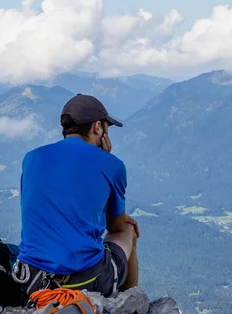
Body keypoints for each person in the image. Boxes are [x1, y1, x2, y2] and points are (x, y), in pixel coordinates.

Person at [14, 94, 140, 295]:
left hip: (31, 281)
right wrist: (105, 159)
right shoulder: (112, 165)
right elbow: (115, 226)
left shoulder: (31, 158)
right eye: (106, 130)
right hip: (83, 282)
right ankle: (129, 303)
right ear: (97, 127)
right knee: (128, 229)